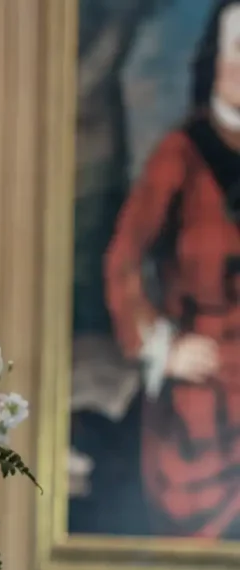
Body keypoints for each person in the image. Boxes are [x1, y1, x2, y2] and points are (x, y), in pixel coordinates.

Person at [104, 0, 240, 539]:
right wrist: (163, 346)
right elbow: (124, 259)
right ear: (215, 59)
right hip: (201, 397)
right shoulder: (181, 154)